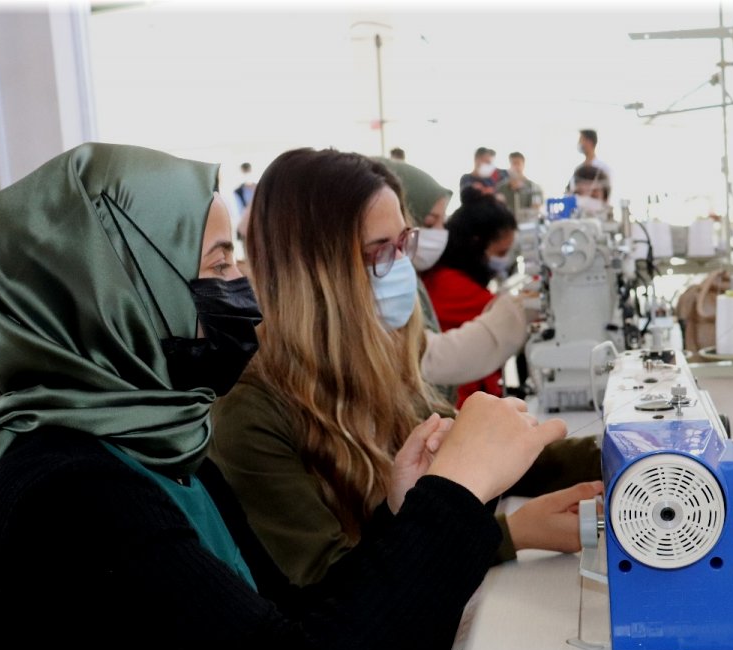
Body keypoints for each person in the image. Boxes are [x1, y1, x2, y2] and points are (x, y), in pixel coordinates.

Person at [0, 142, 566, 650]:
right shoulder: (73, 491)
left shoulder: (162, 446)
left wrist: (406, 515)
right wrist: (450, 498)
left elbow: (294, 620)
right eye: (220, 263)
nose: (243, 293)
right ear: (117, 294)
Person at [210, 148, 600, 588]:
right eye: (380, 251)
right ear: (316, 272)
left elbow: (476, 459)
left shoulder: (378, 360)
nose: (401, 268)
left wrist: (619, 454)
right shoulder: (249, 415)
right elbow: (333, 589)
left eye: (403, 243)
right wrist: (509, 536)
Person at [373, 158, 528, 401]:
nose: (440, 233)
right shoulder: (445, 284)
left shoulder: (416, 283)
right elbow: (433, 357)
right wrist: (523, 310)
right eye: (428, 223)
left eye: (405, 240)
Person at [422, 193, 519, 407]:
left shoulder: (441, 275)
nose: (505, 259)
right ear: (477, 242)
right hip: (460, 403)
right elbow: (507, 318)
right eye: (501, 251)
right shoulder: (452, 286)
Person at [496, 151, 544, 220]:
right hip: (506, 225)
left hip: (527, 226)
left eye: (518, 163)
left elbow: (535, 211)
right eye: (513, 163)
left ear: (523, 165)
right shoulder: (501, 188)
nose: (515, 167)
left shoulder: (534, 187)